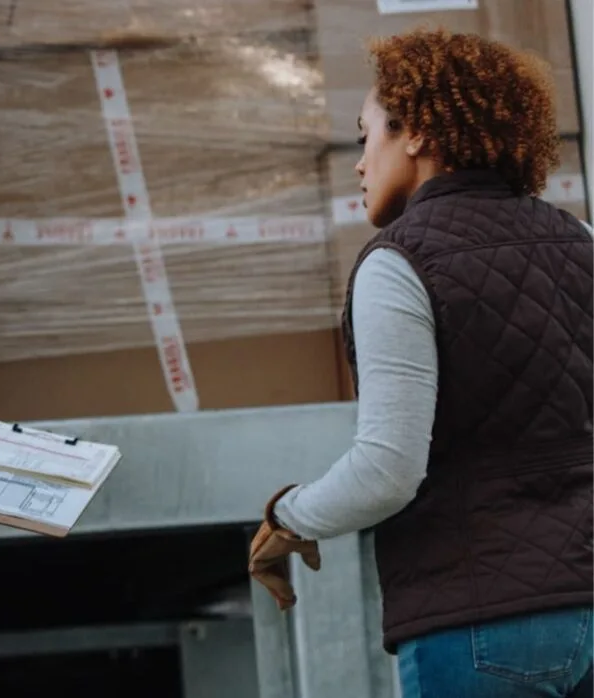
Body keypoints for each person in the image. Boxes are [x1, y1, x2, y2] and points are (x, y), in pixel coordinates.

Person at [246, 27, 593, 698]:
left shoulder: (400, 263)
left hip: (479, 617)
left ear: (418, 134)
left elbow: (388, 470)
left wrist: (289, 518)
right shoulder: (578, 240)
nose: (358, 163)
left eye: (364, 136)